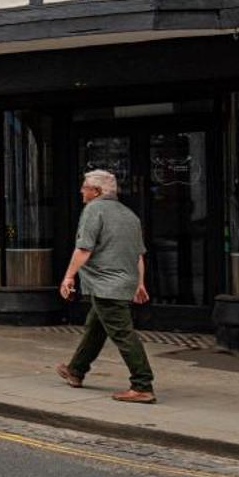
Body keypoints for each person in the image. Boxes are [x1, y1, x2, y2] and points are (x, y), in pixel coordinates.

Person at [56, 168, 155, 403]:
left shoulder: (93, 210)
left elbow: (84, 248)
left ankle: (142, 384)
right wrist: (139, 282)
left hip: (106, 284)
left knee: (123, 334)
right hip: (123, 281)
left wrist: (68, 277)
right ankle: (76, 370)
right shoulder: (129, 215)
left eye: (85, 187)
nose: (81, 190)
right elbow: (138, 254)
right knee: (96, 326)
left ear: (96, 191)